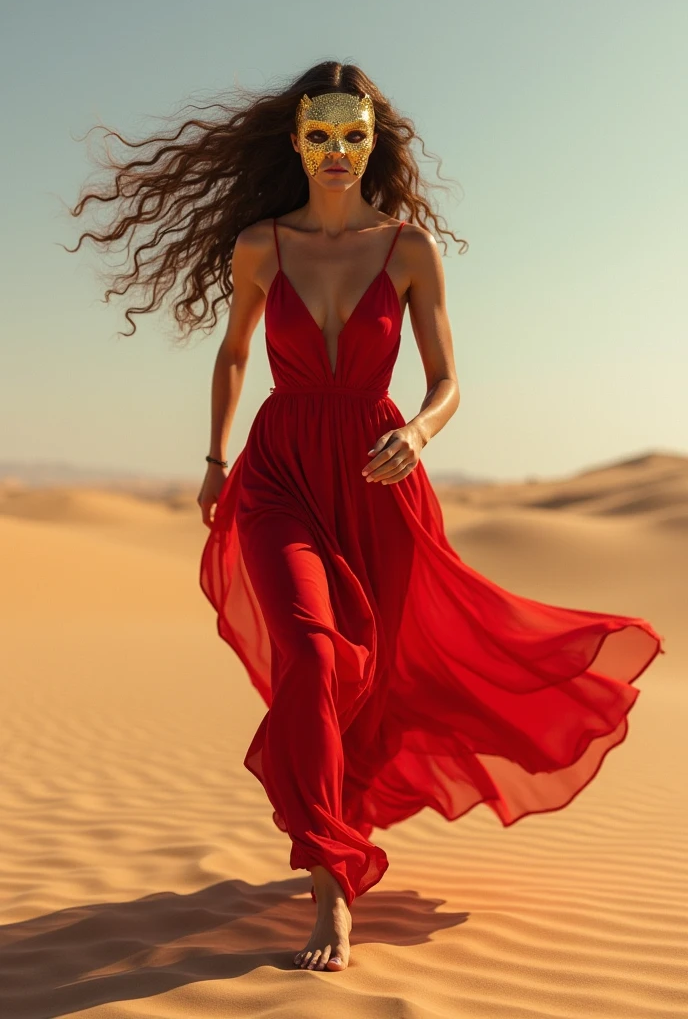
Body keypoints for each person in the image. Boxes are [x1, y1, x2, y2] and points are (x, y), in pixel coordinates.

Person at [65, 59, 665, 976]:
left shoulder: (410, 249)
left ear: (374, 140)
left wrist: (421, 434)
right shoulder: (261, 245)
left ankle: (339, 826)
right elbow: (232, 356)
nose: (337, 152)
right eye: (320, 134)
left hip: (381, 476)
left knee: (375, 683)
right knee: (309, 654)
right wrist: (217, 459)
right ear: (296, 139)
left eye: (354, 134)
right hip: (280, 473)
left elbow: (449, 381)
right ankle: (334, 894)